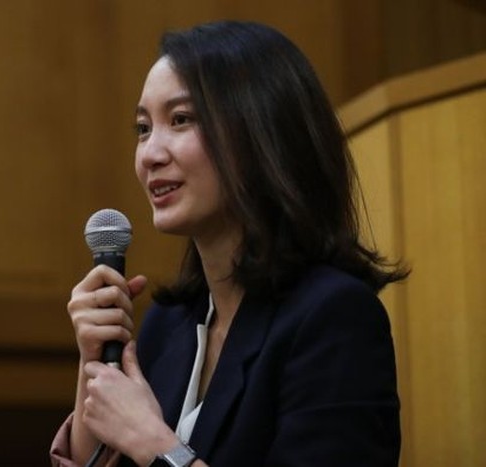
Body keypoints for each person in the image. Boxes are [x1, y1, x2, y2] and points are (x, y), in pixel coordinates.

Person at [50, 20, 409, 467]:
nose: (150, 154)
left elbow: (149, 445)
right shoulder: (167, 325)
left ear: (261, 132)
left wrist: (154, 443)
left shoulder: (334, 317)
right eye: (143, 128)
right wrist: (93, 365)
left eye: (180, 120)